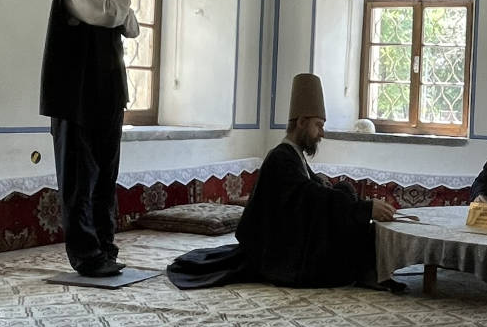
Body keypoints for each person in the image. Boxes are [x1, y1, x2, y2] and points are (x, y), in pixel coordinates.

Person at [167, 73, 401, 291]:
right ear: (301, 122)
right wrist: (363, 208)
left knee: (344, 191)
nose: (322, 133)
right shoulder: (281, 157)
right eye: (318, 125)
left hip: (293, 238)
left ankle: (366, 270)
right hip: (279, 250)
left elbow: (317, 192)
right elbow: (309, 197)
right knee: (346, 214)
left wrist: (350, 200)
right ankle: (364, 271)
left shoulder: (294, 154)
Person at [40, 0, 140, 277]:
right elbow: (108, 16)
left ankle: (106, 249)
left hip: (109, 97)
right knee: (79, 181)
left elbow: (131, 27)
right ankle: (86, 256)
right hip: (74, 98)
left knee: (105, 180)